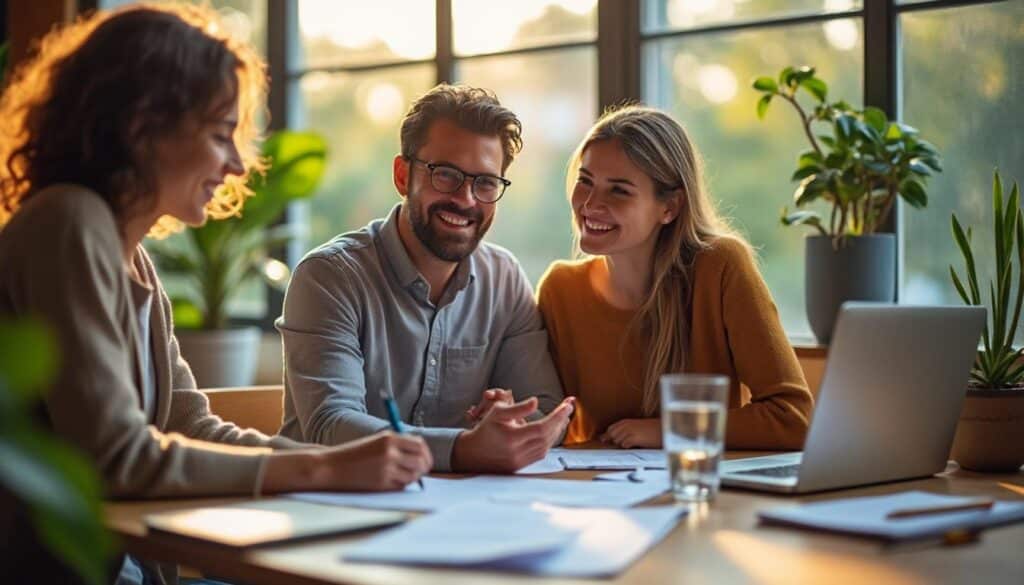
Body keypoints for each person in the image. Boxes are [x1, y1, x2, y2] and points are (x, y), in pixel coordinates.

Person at [0, 6, 432, 580]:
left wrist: (338, 461)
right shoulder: (67, 223)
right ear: (143, 124)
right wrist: (322, 473)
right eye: (220, 133)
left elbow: (189, 424)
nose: (234, 164)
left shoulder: (133, 257)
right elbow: (114, 456)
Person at [278, 84, 574, 473]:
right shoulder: (329, 277)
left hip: (464, 512)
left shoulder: (504, 279)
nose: (466, 199)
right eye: (446, 175)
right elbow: (331, 425)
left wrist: (512, 425)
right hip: (334, 508)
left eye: (485, 183)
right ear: (403, 176)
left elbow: (546, 408)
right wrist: (464, 448)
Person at [537, 105, 813, 450]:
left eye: (619, 190)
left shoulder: (721, 266)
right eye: (585, 181)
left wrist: (669, 430)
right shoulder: (560, 289)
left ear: (669, 207)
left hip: (698, 485)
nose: (590, 203)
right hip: (595, 493)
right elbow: (552, 420)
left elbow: (792, 418)